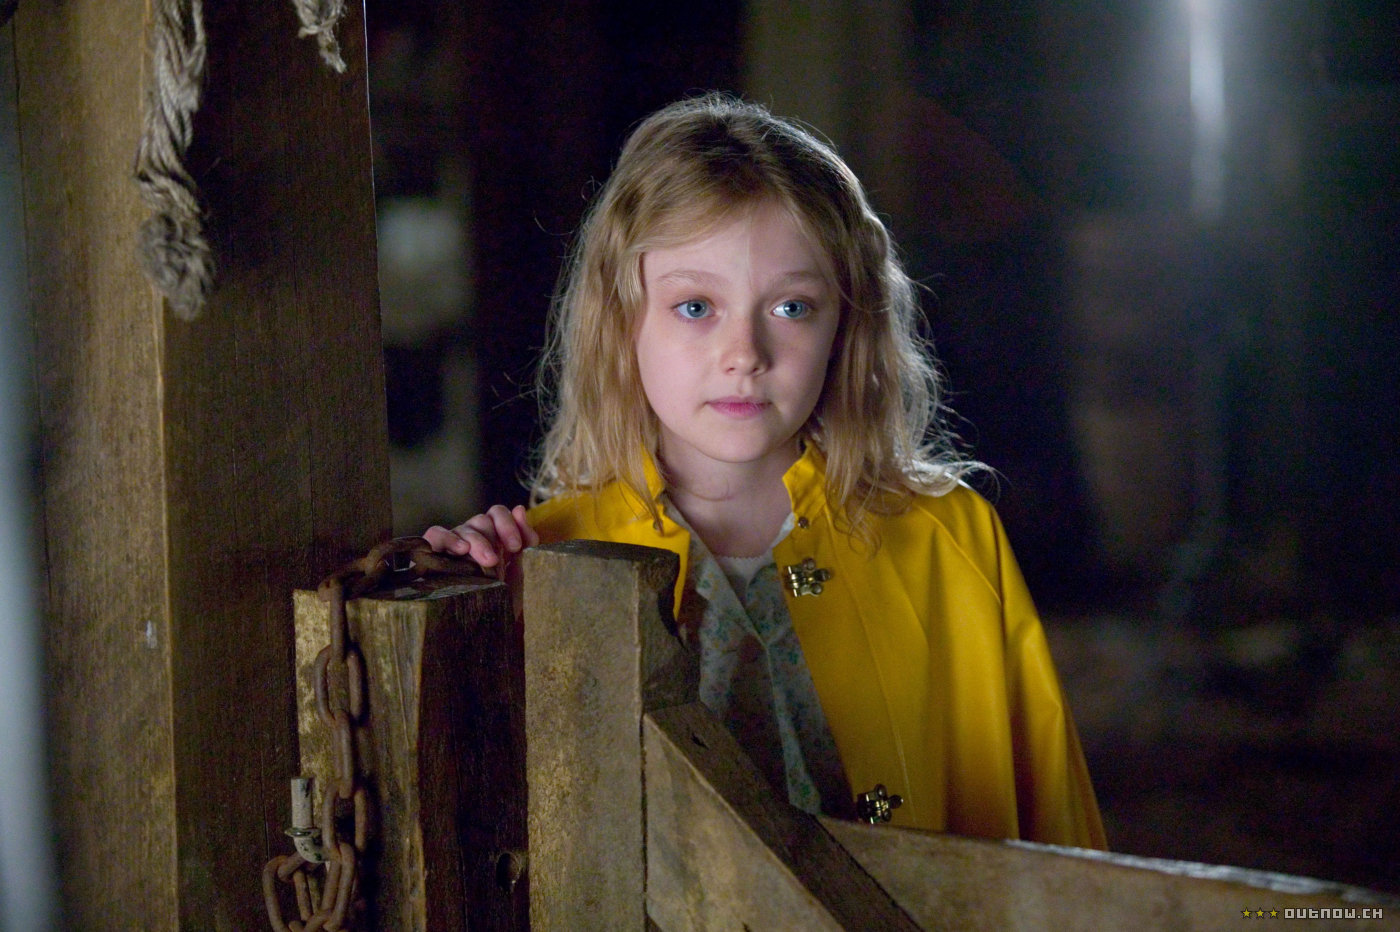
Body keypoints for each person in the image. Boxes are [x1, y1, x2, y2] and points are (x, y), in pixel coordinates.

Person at [424, 93, 1106, 849]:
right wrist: (473, 615)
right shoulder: (550, 558)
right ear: (621, 321)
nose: (745, 353)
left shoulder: (946, 536)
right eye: (695, 307)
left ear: (846, 323)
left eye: (791, 308)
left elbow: (1056, 838)